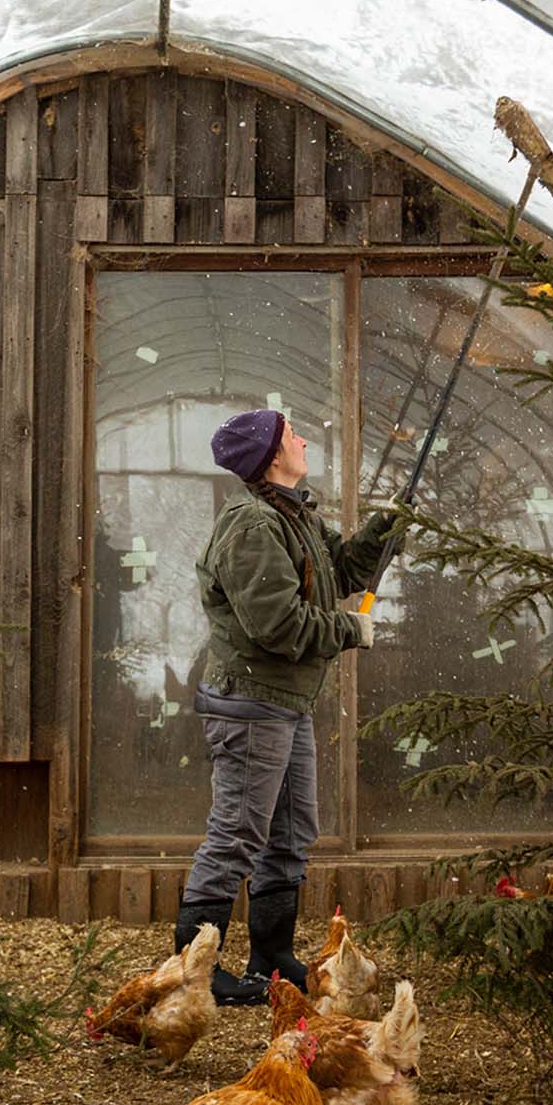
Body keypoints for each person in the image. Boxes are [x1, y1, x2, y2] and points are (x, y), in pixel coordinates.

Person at [174, 408, 400, 1005]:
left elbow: (345, 570)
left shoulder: (292, 515)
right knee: (237, 833)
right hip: (251, 703)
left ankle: (270, 957)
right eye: (292, 433)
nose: (303, 439)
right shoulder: (253, 526)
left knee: (291, 833)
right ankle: (194, 972)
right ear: (274, 454)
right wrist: (351, 631)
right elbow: (276, 624)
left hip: (284, 703)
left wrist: (386, 528)